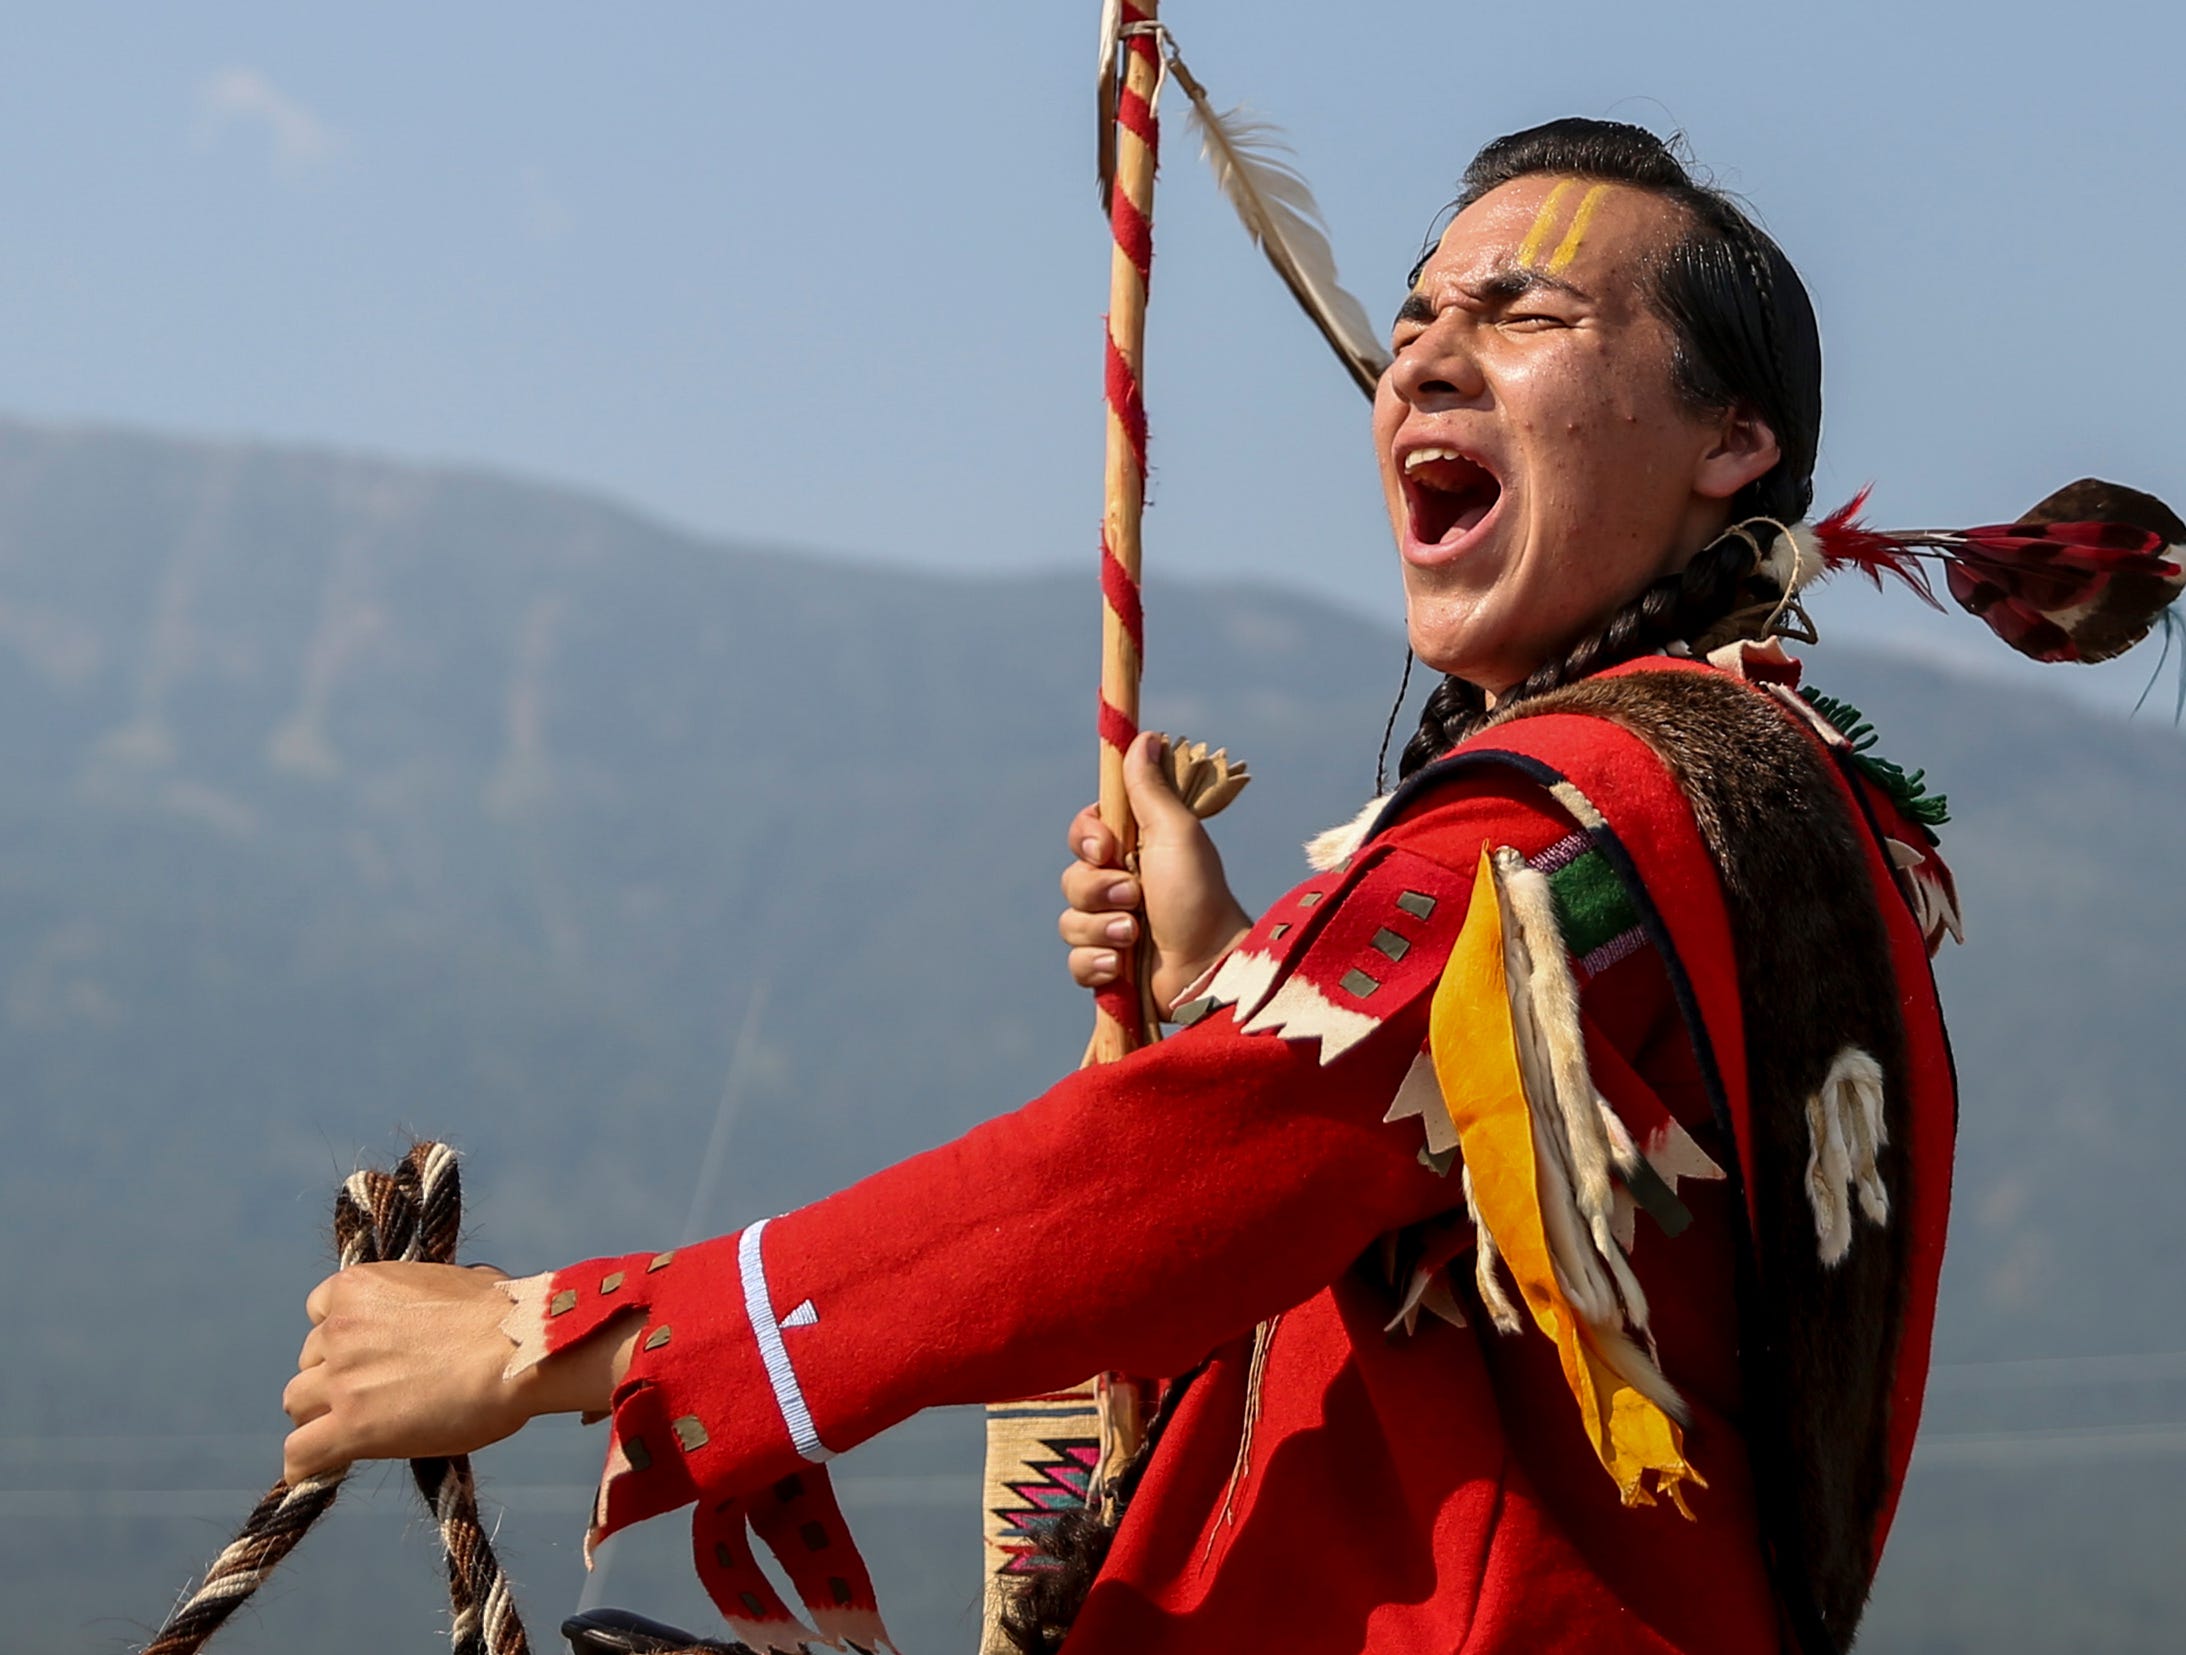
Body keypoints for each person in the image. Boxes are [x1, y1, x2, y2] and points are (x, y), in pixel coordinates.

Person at [279, 118, 2178, 1653]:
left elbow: (1161, 1185)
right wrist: (1221, 972)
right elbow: (1430, 1203)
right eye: (1413, 321)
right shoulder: (1769, 798)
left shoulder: (1573, 816)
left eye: (1520, 316)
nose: (1421, 355)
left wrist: (569, 1336)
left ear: (1731, 447)